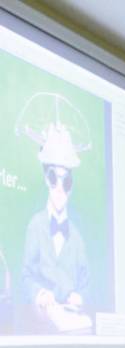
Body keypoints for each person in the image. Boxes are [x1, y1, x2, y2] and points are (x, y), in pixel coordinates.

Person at [22, 123, 89, 330]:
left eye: (65, 182)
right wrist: (40, 294)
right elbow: (26, 275)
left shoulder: (77, 237)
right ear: (46, 179)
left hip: (72, 328)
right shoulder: (35, 225)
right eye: (53, 178)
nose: (59, 188)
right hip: (40, 327)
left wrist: (80, 297)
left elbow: (86, 283)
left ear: (71, 186)